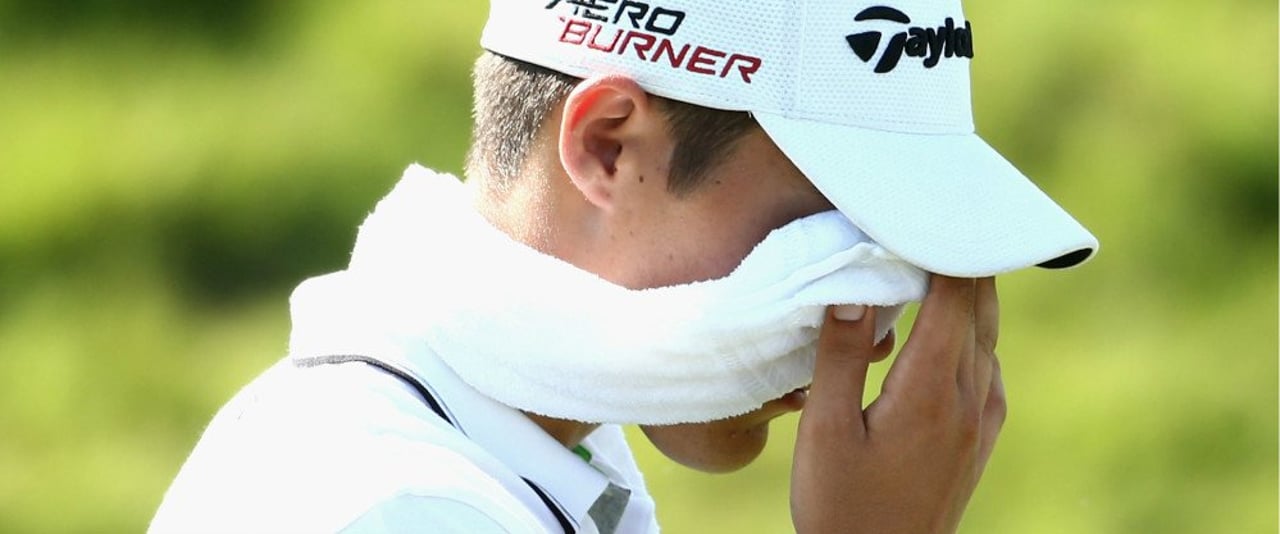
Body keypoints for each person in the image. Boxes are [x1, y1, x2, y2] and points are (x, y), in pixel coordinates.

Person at [150, 0, 1098, 532]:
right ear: (609, 148)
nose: (874, 329)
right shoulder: (401, 512)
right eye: (823, 242)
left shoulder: (541, 441)